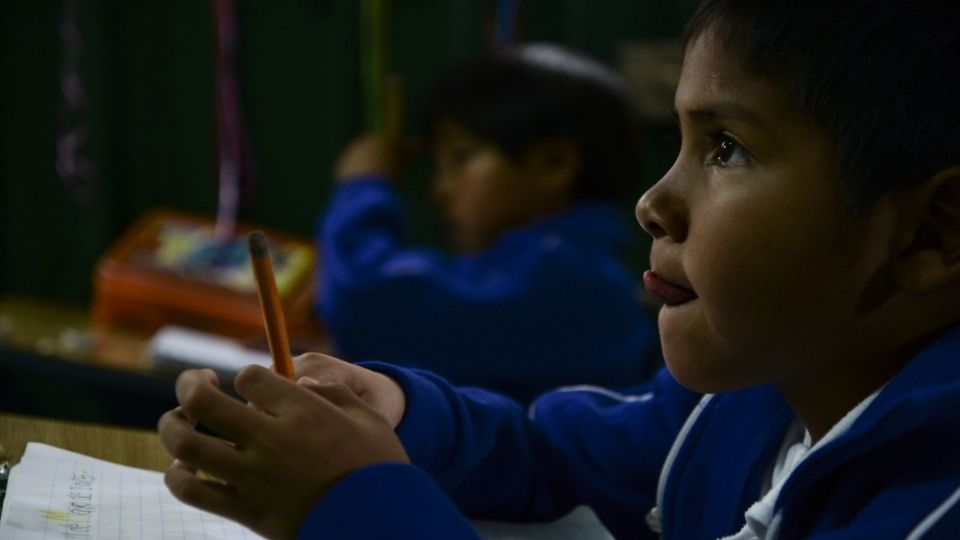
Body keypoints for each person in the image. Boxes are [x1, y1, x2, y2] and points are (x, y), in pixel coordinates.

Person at [157, 0, 960, 538]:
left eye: (727, 148)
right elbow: (551, 452)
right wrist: (397, 411)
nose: (653, 202)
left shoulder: (932, 510)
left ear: (931, 233)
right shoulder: (742, 392)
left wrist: (355, 501)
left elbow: (372, 299)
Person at [315, 44, 658, 402]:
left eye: (460, 157)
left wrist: (365, 185)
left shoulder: (567, 281)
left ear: (553, 165)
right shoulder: (551, 268)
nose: (438, 190)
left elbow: (363, 300)